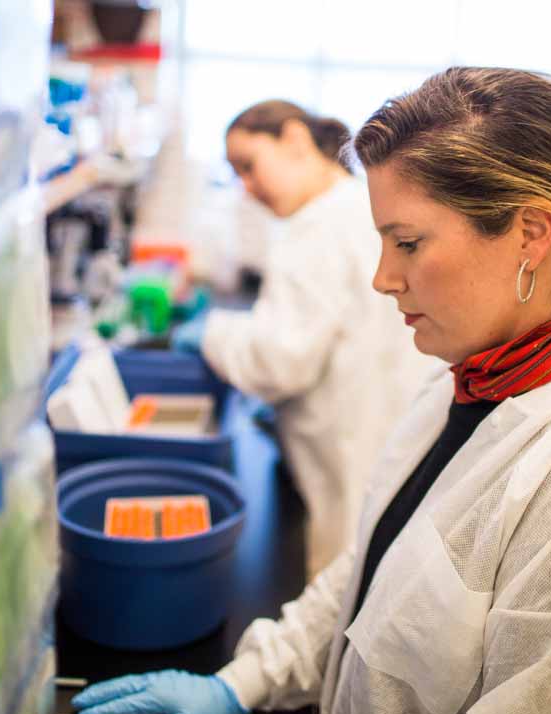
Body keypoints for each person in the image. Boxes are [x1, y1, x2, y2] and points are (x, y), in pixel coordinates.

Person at [73, 68, 551, 714]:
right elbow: (378, 570)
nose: (383, 278)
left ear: (530, 233)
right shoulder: (477, 374)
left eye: (407, 243)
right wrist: (249, 679)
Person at [173, 99, 437, 577]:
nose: (247, 189)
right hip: (385, 430)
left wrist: (210, 332)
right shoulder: (359, 205)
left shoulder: (316, 226)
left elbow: (281, 359)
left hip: (353, 450)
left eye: (249, 167)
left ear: (294, 140)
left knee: (342, 586)